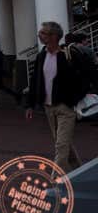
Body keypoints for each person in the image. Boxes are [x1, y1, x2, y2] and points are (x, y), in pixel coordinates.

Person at [26, 21, 87, 172]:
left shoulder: (67, 56)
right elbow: (35, 81)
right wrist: (30, 104)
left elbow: (85, 78)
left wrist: (74, 99)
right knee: (63, 144)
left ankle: (56, 182)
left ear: (53, 36)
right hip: (48, 108)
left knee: (61, 145)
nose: (39, 35)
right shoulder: (42, 56)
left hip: (65, 108)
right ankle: (79, 172)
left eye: (43, 33)